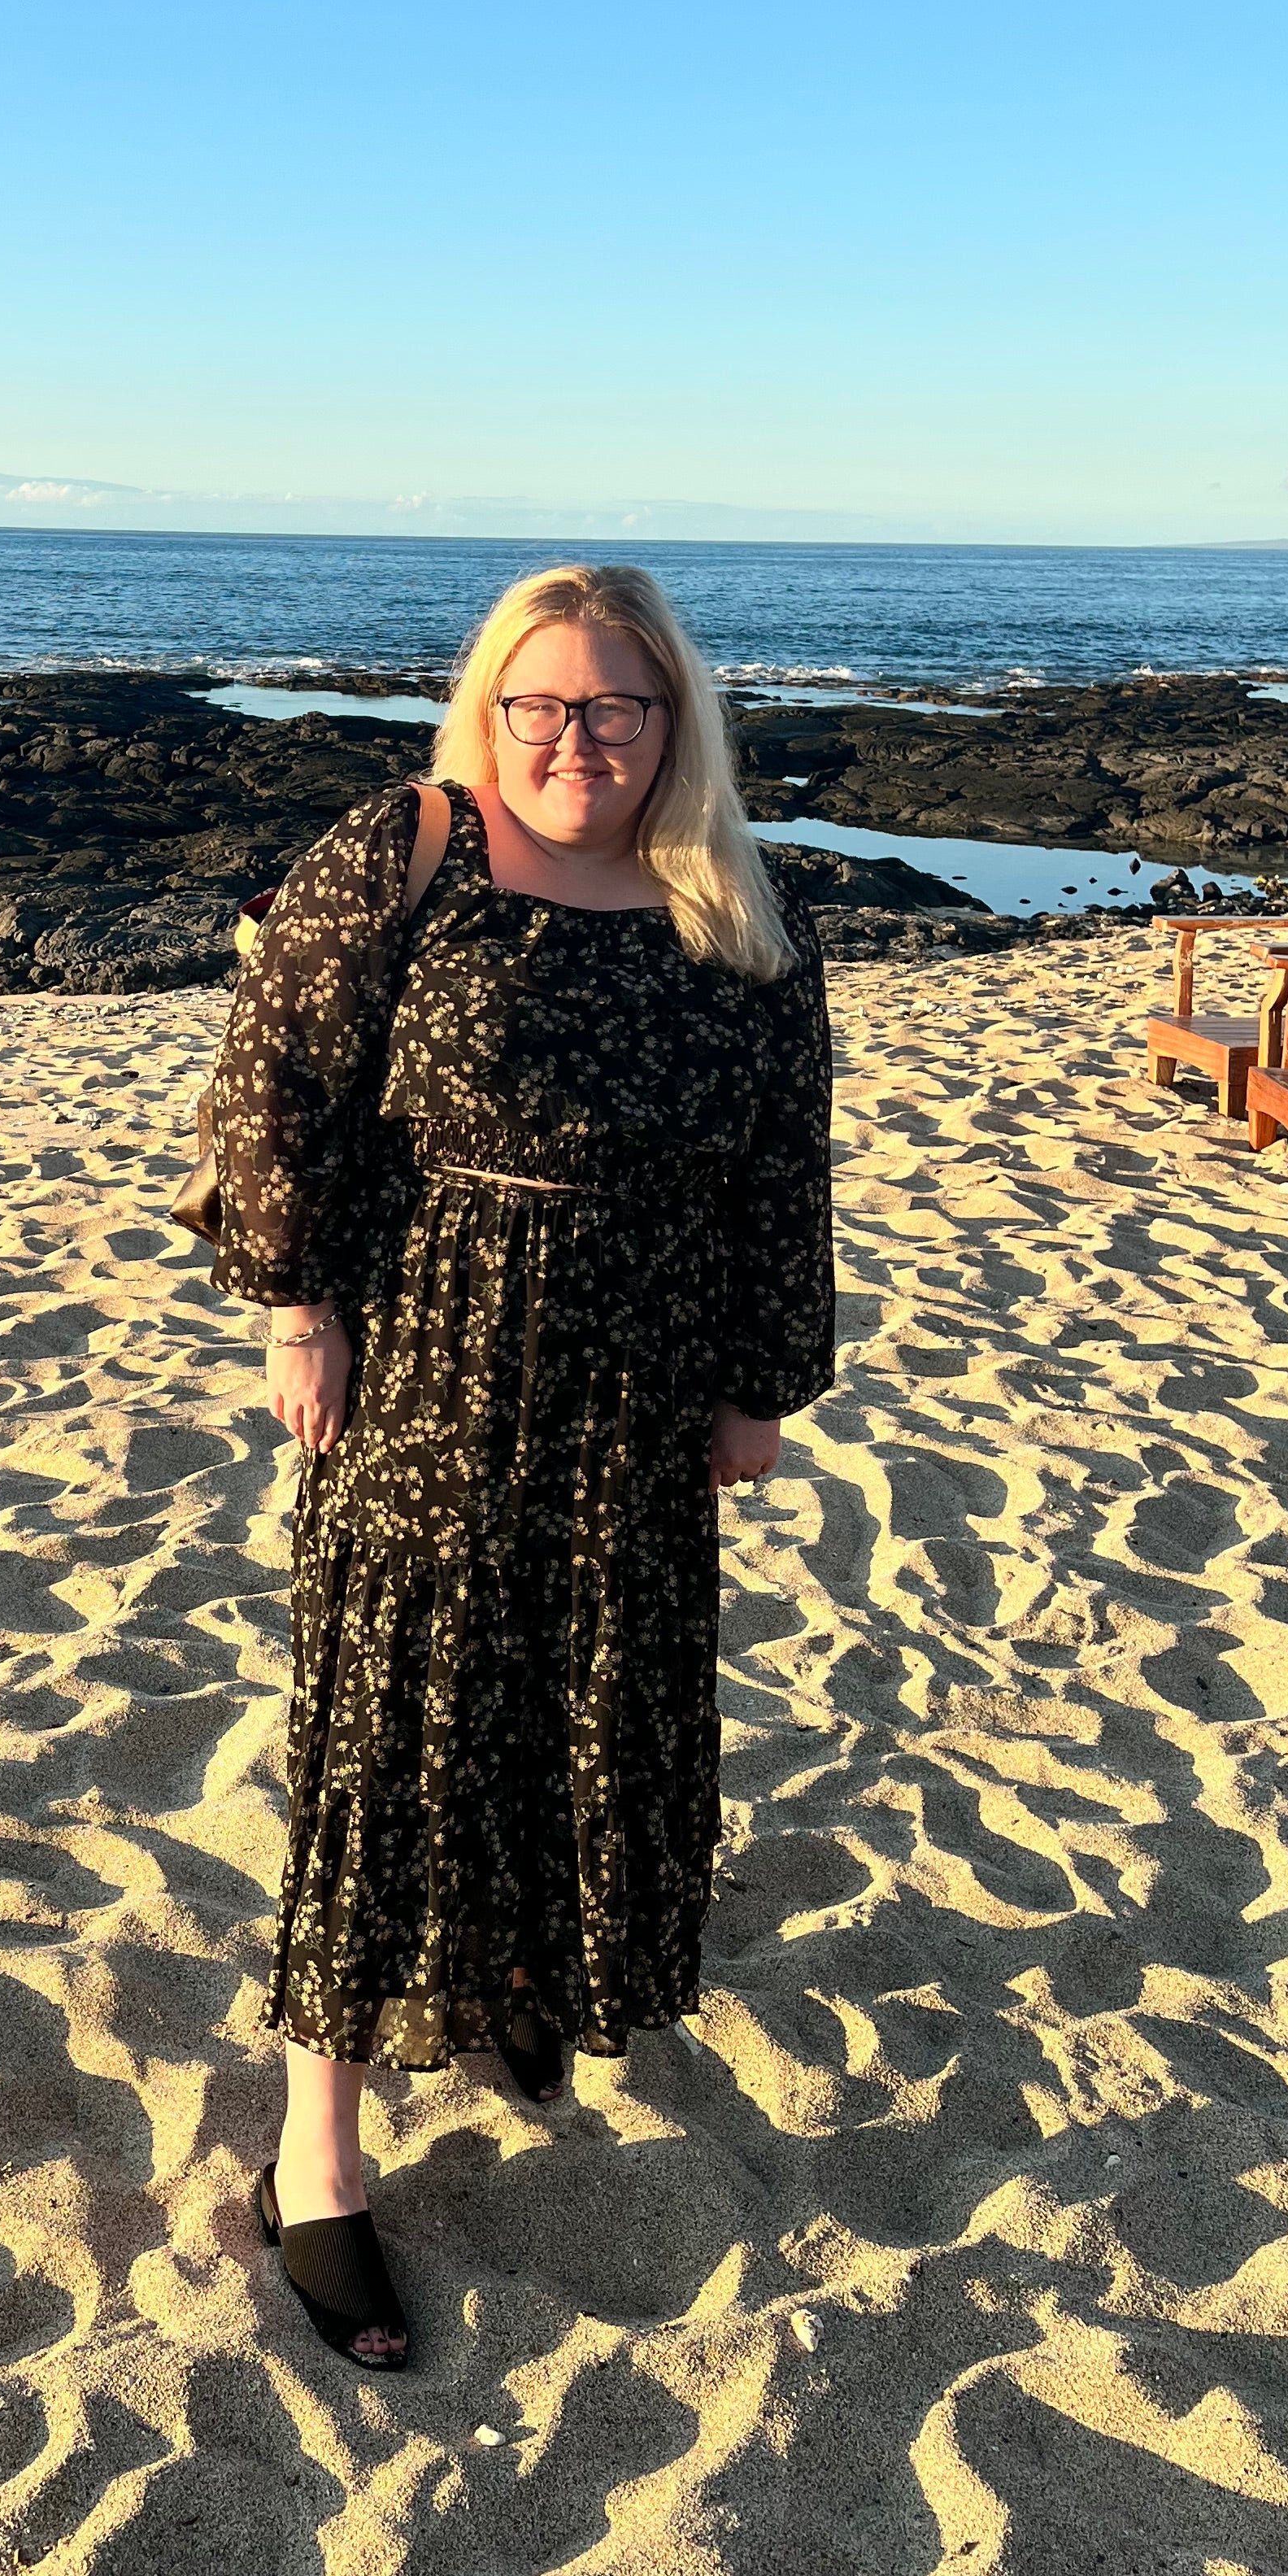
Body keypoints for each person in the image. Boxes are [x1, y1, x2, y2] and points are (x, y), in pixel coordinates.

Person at [208, 560, 836, 2370]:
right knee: (388, 1737)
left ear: (672, 728)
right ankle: (313, 2154)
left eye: (616, 710)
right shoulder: (409, 853)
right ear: (488, 713)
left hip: (635, 1387)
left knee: (587, 1706)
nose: (576, 741)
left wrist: (759, 1383)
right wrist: (293, 1301)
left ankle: (519, 1981)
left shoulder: (729, 909)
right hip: (427, 1364)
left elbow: (781, 1167)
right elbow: (275, 1082)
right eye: (540, 706)